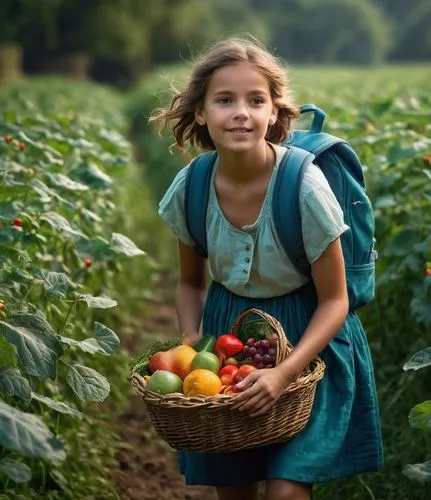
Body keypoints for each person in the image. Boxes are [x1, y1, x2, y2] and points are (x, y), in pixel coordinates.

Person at [151, 36, 383, 500]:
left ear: (274, 112)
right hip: (229, 332)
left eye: (256, 100)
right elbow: (191, 285)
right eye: (224, 100)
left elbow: (336, 299)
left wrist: (284, 373)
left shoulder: (303, 185)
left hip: (307, 339)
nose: (241, 112)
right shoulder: (192, 185)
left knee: (286, 489)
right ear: (200, 112)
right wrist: (191, 344)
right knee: (234, 486)